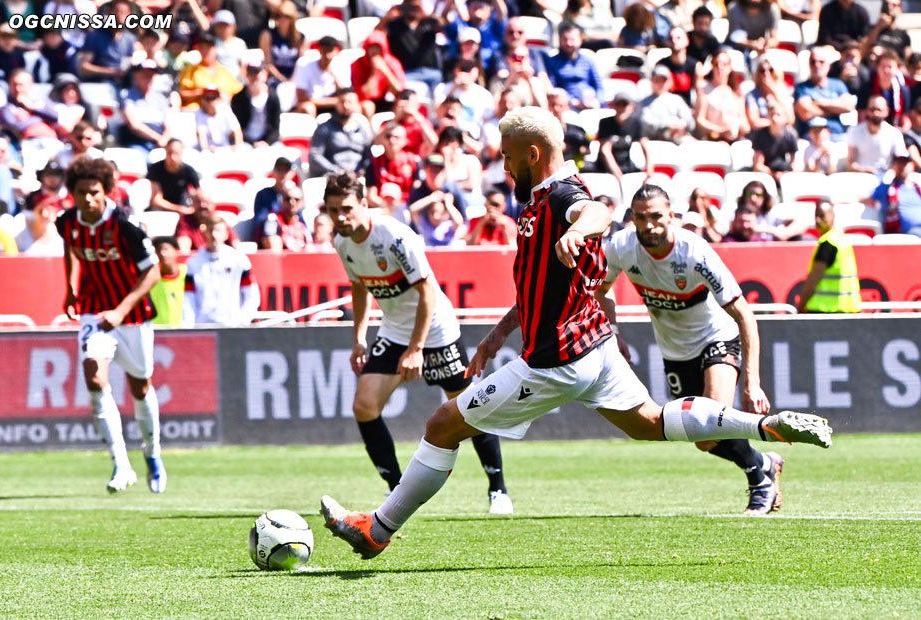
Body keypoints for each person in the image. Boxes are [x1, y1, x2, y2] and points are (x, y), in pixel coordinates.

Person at [319, 106, 833, 560]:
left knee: (441, 426)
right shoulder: (542, 197)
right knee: (650, 422)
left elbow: (599, 211)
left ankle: (376, 530)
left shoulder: (564, 194)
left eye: (507, 157)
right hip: (598, 349)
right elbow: (543, 285)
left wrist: (577, 229)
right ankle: (763, 429)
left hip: (556, 362)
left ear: (533, 153)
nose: (503, 166)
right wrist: (498, 334)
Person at [323, 170, 512, 512]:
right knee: (364, 406)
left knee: (469, 409)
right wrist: (359, 338)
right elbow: (360, 287)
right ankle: (397, 489)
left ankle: (498, 489)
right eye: (333, 210)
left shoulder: (395, 236)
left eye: (347, 208)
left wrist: (416, 349)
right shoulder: (341, 242)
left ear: (364, 204)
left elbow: (427, 292)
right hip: (394, 331)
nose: (341, 217)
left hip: (436, 330)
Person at [599, 185, 784, 515]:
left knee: (712, 419)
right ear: (633, 219)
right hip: (674, 351)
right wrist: (613, 332)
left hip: (716, 338)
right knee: (702, 439)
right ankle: (764, 462)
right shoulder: (621, 247)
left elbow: (744, 313)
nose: (649, 224)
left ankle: (760, 483)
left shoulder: (694, 252)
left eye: (656, 216)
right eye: (641, 218)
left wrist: (751, 382)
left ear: (671, 216)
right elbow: (601, 291)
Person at [56, 156, 166, 494]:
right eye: (81, 193)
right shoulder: (67, 222)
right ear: (72, 194)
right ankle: (121, 463)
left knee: (140, 387)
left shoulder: (125, 225)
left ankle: (152, 454)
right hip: (93, 310)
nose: (87, 199)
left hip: (131, 315)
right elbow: (71, 250)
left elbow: (154, 272)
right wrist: (71, 289)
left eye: (94, 192)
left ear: (105, 191)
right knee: (94, 375)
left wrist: (120, 310)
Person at [182, 216, 260, 327]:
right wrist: (189, 324)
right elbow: (188, 298)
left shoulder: (239, 260)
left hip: (232, 326)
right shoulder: (193, 263)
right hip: (203, 327)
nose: (214, 235)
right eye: (210, 230)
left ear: (226, 234)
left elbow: (251, 294)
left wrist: (243, 319)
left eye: (218, 231)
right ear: (204, 233)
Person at [795, 200, 861, 313]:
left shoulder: (828, 243)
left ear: (832, 215)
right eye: (816, 216)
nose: (817, 220)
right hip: (847, 311)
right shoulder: (842, 240)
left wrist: (800, 306)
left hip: (825, 311)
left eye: (821, 215)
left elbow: (813, 279)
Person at [793, 46, 855, 142]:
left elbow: (848, 106)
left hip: (837, 136)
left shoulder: (838, 84)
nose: (817, 65)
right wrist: (834, 110)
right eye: (813, 62)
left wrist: (820, 102)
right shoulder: (802, 87)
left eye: (821, 62)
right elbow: (805, 113)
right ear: (809, 65)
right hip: (811, 138)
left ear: (828, 65)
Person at [308, 89, 373, 178]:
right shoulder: (325, 128)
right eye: (342, 102)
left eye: (350, 102)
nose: (346, 106)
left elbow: (368, 156)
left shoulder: (362, 130)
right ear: (337, 103)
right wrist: (336, 171)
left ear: (357, 105)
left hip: (358, 177)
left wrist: (362, 170)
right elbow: (315, 155)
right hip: (332, 178)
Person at [543, 22, 603, 110]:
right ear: (560, 40)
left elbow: (599, 86)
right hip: (566, 107)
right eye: (565, 39)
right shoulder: (552, 62)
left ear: (580, 39)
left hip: (591, 105)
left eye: (572, 39)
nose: (569, 43)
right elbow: (552, 88)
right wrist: (572, 101)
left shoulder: (588, 61)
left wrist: (598, 101)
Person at [846, 95, 906, 177]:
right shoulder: (854, 131)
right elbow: (850, 163)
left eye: (879, 110)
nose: (875, 113)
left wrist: (890, 174)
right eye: (872, 109)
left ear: (887, 111)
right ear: (867, 111)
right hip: (860, 177)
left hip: (885, 178)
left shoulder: (895, 133)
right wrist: (862, 170)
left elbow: (901, 160)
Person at [352, 29, 406, 119]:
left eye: (378, 47)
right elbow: (363, 95)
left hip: (384, 101)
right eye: (371, 47)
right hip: (364, 103)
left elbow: (400, 92)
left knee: (402, 105)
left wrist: (386, 72)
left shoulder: (392, 63)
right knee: (368, 106)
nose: (374, 51)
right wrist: (374, 72)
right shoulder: (357, 64)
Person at [292, 36, 349, 117]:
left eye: (331, 51)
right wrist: (333, 101)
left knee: (353, 107)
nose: (328, 55)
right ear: (319, 50)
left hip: (335, 106)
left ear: (336, 51)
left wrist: (333, 74)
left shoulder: (342, 65)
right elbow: (301, 97)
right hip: (313, 106)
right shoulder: (304, 65)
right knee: (308, 108)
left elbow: (346, 94)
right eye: (325, 51)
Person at [230, 60, 280, 148]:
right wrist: (253, 143)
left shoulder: (273, 96)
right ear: (246, 75)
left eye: (257, 73)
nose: (254, 77)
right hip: (245, 142)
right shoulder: (238, 98)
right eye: (251, 73)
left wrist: (267, 142)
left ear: (265, 74)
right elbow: (237, 127)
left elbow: (275, 127)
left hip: (268, 142)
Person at [868, 153, 921, 234]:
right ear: (893, 166)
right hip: (909, 231)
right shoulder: (887, 189)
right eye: (899, 163)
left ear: (912, 165)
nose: (902, 166)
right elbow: (866, 198)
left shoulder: (918, 187)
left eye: (905, 163)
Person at [146, 139, 201, 215]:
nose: (172, 157)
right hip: (160, 210)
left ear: (181, 153)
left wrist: (192, 208)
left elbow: (199, 193)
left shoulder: (189, 171)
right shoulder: (156, 169)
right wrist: (178, 209)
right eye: (170, 153)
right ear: (165, 151)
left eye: (176, 153)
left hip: (183, 207)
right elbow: (156, 201)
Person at [751, 103, 799, 180]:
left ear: (785, 117)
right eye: (772, 114)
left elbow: (794, 164)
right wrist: (773, 175)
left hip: (783, 171)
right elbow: (758, 165)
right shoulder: (760, 135)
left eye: (778, 115)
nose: (774, 118)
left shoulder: (791, 135)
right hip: (765, 174)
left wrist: (785, 174)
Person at [257, 185, 311, 252]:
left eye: (296, 199)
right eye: (288, 199)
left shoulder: (302, 222)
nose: (292, 202)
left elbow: (310, 247)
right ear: (282, 201)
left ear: (302, 203)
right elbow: (274, 248)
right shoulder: (273, 219)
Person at [149, 236, 187, 327]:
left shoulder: (187, 273)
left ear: (176, 251)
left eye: (166, 249)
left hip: (185, 331)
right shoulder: (150, 278)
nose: (162, 253)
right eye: (157, 250)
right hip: (158, 332)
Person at [195, 85, 244, 153]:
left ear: (219, 99)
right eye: (207, 98)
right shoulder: (199, 114)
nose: (210, 102)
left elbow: (237, 130)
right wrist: (206, 149)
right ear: (202, 99)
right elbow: (202, 136)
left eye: (213, 97)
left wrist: (237, 147)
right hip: (208, 151)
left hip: (226, 148)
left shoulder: (225, 110)